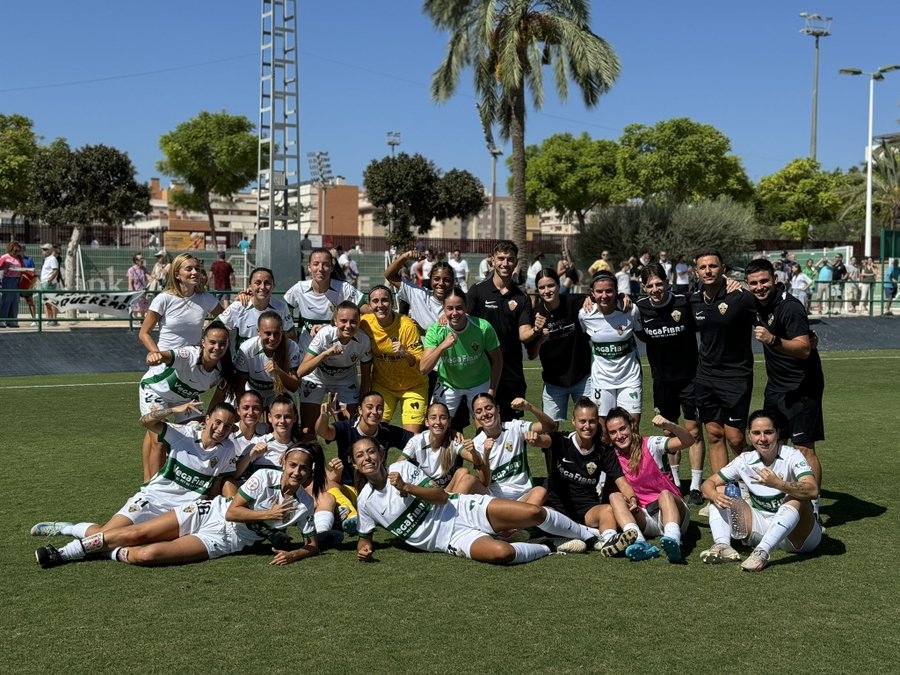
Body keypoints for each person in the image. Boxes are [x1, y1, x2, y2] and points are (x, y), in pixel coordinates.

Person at [36, 444, 322, 569]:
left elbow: (312, 545)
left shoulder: (304, 504)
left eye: (303, 469)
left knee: (147, 554)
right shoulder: (264, 476)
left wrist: (293, 554)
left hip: (226, 539)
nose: (296, 472)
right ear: (283, 462)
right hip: (209, 511)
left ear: (310, 473)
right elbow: (234, 511)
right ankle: (62, 553)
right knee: (135, 534)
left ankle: (82, 534)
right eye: (292, 465)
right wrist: (268, 515)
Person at [353, 438, 601, 565]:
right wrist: (364, 548)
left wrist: (407, 488)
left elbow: (441, 497)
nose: (367, 458)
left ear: (381, 454)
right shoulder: (365, 501)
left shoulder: (403, 468)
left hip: (458, 510)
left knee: (533, 512)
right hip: (447, 540)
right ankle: (550, 546)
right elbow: (365, 538)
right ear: (356, 464)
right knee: (502, 554)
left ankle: (591, 535)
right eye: (360, 455)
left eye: (371, 451)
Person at [31, 401, 239, 541]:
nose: (221, 429)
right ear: (207, 419)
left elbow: (221, 483)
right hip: (153, 499)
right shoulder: (182, 434)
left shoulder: (228, 450)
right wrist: (173, 410)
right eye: (217, 422)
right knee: (106, 535)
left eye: (227, 426)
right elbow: (145, 422)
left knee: (132, 541)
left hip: (181, 511)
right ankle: (66, 528)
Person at [746, 258, 825, 518]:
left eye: (764, 281)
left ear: (775, 280)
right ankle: (775, 502)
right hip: (776, 386)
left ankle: (811, 510)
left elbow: (803, 348)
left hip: (802, 387)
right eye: (754, 283)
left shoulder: (790, 307)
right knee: (772, 444)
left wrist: (773, 339)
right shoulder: (755, 303)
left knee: (803, 448)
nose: (760, 287)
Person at [699, 410, 821, 572]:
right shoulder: (745, 460)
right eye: (756, 433)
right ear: (749, 435)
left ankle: (762, 552)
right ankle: (723, 546)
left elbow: (812, 490)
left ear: (777, 433)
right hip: (761, 527)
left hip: (798, 537)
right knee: (720, 489)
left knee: (797, 497)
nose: (762, 439)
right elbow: (708, 483)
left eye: (768, 432)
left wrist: (779, 484)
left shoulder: (792, 455)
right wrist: (714, 495)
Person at [525, 397, 639, 556]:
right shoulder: (562, 440)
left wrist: (632, 498)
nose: (587, 426)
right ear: (573, 421)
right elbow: (544, 440)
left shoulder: (604, 451)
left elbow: (622, 482)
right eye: (582, 421)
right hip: (555, 508)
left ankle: (609, 543)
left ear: (597, 422)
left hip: (586, 510)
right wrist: (535, 439)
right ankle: (517, 531)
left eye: (592, 421)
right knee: (539, 492)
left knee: (607, 510)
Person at [635, 263, 706, 504]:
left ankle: (696, 485)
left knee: (694, 431)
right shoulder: (639, 309)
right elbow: (637, 331)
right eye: (650, 285)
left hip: (690, 377)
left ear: (667, 283)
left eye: (659, 284)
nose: (655, 289)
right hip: (662, 381)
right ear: (644, 287)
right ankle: (675, 482)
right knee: (669, 431)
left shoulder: (683, 302)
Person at [139, 321, 236, 481]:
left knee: (199, 434)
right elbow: (164, 356)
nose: (217, 348)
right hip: (156, 390)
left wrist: (209, 421)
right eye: (212, 342)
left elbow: (217, 401)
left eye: (222, 344)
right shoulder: (189, 355)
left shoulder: (223, 370)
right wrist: (154, 356)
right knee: (160, 438)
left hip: (185, 399)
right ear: (203, 342)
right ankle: (151, 485)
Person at [688, 251, 756, 475]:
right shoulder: (694, 299)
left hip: (736, 376)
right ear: (697, 272)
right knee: (714, 434)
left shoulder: (740, 296)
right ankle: (724, 492)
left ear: (723, 269)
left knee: (735, 437)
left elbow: (768, 308)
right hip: (706, 377)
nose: (708, 271)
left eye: (713, 266)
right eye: (703, 267)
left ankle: (753, 480)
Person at [605, 409, 694, 563]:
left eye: (622, 428)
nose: (619, 436)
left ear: (632, 426)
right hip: (645, 516)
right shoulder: (612, 457)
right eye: (613, 432)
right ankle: (639, 541)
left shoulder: (651, 444)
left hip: (674, 513)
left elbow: (688, 441)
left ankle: (673, 539)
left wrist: (669, 425)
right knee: (614, 497)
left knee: (665, 494)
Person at [466, 240, 538, 419]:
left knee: (512, 428)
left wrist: (537, 330)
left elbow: (524, 333)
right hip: (482, 372)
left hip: (512, 372)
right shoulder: (477, 291)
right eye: (501, 258)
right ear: (492, 260)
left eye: (510, 259)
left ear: (516, 262)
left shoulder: (522, 298)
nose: (505, 263)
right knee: (484, 426)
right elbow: (463, 324)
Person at [421, 288, 502, 420]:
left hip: (479, 382)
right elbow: (423, 368)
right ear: (444, 308)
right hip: (449, 384)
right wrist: (442, 346)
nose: (454, 313)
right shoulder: (435, 331)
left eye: (459, 308)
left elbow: (497, 360)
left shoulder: (483, 327)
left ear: (466, 307)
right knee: (437, 422)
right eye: (450, 308)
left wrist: (492, 389)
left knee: (486, 423)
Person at [462, 393, 555, 504]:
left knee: (540, 492)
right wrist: (486, 453)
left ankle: (510, 518)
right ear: (474, 417)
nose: (485, 414)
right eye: (479, 411)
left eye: (488, 408)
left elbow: (550, 426)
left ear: (497, 409)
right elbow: (484, 482)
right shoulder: (476, 444)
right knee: (467, 480)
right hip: (495, 500)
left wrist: (530, 407)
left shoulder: (515, 427)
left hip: (524, 497)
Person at [359, 285, 428, 433]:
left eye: (384, 300)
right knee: (375, 432)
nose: (380, 305)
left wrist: (405, 353)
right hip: (383, 386)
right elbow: (344, 326)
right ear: (370, 305)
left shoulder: (407, 326)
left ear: (392, 303)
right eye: (375, 301)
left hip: (413, 386)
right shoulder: (365, 323)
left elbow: (420, 363)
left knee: (412, 438)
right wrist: (321, 328)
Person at [579, 271, 643, 431]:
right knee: (603, 434)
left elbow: (641, 333)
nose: (604, 295)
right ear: (592, 293)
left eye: (609, 290)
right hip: (601, 381)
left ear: (616, 291)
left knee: (631, 430)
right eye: (599, 291)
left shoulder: (630, 309)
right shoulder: (585, 315)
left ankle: (633, 457)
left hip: (630, 379)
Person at [297, 301, 373, 436]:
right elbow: (301, 371)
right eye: (343, 321)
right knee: (307, 431)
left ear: (359, 322)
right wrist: (325, 354)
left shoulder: (364, 341)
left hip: (345, 380)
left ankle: (344, 456)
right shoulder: (324, 335)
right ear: (335, 321)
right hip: (317, 377)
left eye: (353, 322)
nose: (348, 326)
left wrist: (361, 404)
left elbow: (366, 377)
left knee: (352, 427)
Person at [527, 268, 592, 422]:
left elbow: (603, 296)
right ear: (538, 289)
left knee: (591, 425)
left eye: (551, 286)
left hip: (583, 379)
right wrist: (538, 337)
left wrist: (591, 298)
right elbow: (531, 355)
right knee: (549, 431)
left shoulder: (575, 302)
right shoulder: (535, 315)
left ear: (558, 285)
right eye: (542, 287)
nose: (547, 291)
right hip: (553, 384)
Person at [315, 390, 414, 484]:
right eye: (369, 407)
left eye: (379, 408)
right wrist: (324, 416)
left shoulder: (386, 431)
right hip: (348, 486)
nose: (374, 412)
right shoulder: (347, 427)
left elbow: (416, 440)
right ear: (360, 410)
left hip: (378, 486)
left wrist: (400, 462)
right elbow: (323, 432)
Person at [139, 253, 224, 361]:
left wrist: (241, 299)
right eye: (189, 269)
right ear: (177, 275)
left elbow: (227, 319)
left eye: (197, 269)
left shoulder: (206, 298)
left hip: (193, 363)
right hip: (167, 364)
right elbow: (143, 333)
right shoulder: (163, 299)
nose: (195, 272)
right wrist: (156, 353)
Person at [283, 248, 364, 353]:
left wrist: (330, 328)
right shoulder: (299, 288)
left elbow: (367, 310)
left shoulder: (343, 288)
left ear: (331, 268)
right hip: (307, 351)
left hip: (335, 352)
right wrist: (290, 331)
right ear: (309, 268)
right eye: (316, 264)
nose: (320, 269)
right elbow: (282, 309)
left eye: (325, 265)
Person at [397, 402, 483, 492]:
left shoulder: (454, 439)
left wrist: (472, 451)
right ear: (427, 422)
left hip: (445, 492)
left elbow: (477, 461)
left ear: (449, 422)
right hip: (423, 492)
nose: (438, 422)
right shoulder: (417, 441)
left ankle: (448, 503)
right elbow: (398, 465)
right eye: (433, 418)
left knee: (463, 472)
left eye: (443, 418)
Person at [218, 266, 296, 349]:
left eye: (267, 283)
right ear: (250, 287)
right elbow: (215, 327)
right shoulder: (239, 305)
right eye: (258, 283)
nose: (262, 287)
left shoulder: (281, 307)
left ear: (273, 286)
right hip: (244, 360)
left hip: (272, 360)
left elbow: (291, 336)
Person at [235, 311, 301, 409]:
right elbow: (240, 385)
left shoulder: (291, 347)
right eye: (268, 333)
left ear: (282, 331)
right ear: (258, 332)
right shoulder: (247, 349)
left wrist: (279, 372)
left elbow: (294, 387)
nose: (272, 338)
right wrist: (242, 408)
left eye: (276, 333)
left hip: (278, 392)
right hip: (252, 391)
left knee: (286, 415)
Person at [235, 394, 304, 475]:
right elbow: (235, 474)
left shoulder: (299, 448)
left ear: (295, 418)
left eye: (287, 417)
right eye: (278, 416)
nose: (282, 421)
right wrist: (250, 455)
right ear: (270, 418)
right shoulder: (258, 442)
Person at [0, 240, 23, 327]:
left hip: (16, 280)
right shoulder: (5, 257)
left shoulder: (18, 258)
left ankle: (13, 320)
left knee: (15, 301)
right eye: (15, 251)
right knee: (6, 300)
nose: (16, 253)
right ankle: (2, 320)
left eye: (18, 251)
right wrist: (5, 267)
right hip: (8, 280)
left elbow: (22, 266)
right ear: (10, 249)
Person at [38, 243, 60, 325]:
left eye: (45, 249)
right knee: (46, 302)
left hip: (49, 284)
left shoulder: (52, 259)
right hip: (44, 283)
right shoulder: (47, 259)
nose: (43, 251)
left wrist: (49, 281)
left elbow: (55, 271)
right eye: (43, 249)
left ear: (50, 251)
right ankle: (50, 319)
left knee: (51, 302)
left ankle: (54, 320)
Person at [16, 245, 37, 325]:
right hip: (17, 284)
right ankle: (14, 319)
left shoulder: (29, 260)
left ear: (24, 251)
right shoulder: (15, 260)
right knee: (15, 303)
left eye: (21, 251)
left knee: (30, 302)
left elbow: (33, 271)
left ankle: (34, 320)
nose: (19, 252)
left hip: (26, 285)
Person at [127, 253, 150, 319]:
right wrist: (131, 292)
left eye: (142, 259)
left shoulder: (144, 269)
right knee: (135, 307)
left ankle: (142, 319)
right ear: (136, 261)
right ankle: (135, 319)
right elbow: (130, 282)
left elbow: (148, 276)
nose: (142, 260)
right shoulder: (131, 270)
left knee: (143, 307)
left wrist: (152, 278)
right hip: (135, 292)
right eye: (140, 259)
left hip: (143, 291)